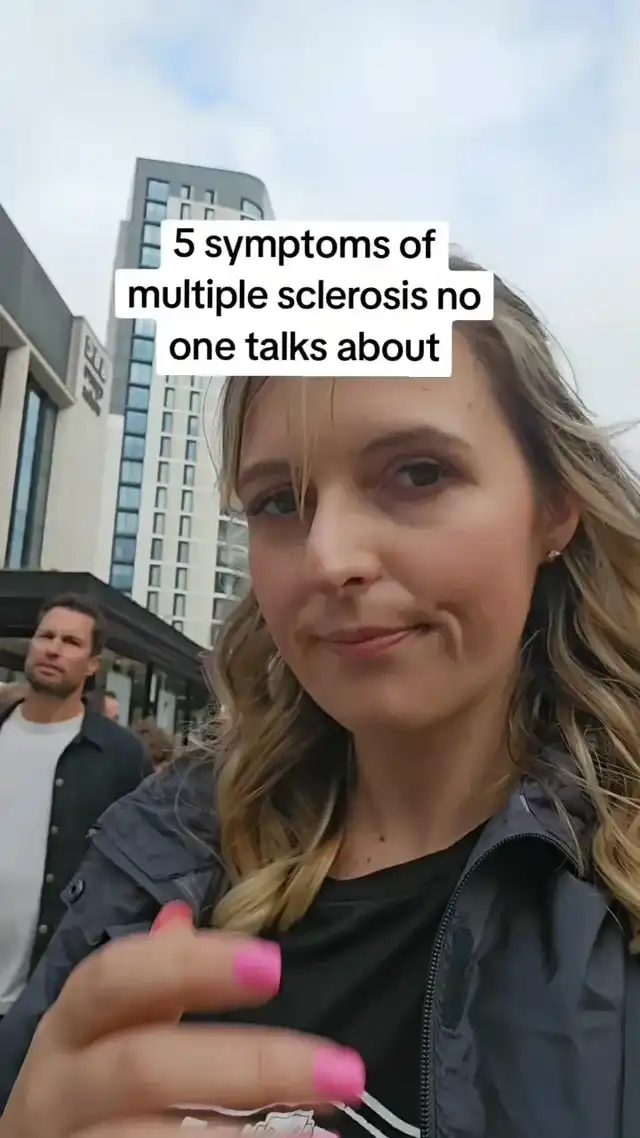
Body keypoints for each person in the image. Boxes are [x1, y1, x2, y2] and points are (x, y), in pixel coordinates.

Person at [1, 255, 639, 1136]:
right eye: (278, 502)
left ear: (554, 509)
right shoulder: (160, 847)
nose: (330, 558)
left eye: (419, 473)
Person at [0, 592, 153, 1025]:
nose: (53, 648)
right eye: (46, 636)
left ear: (92, 664)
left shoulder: (120, 756)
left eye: (70, 642)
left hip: (42, 1001)